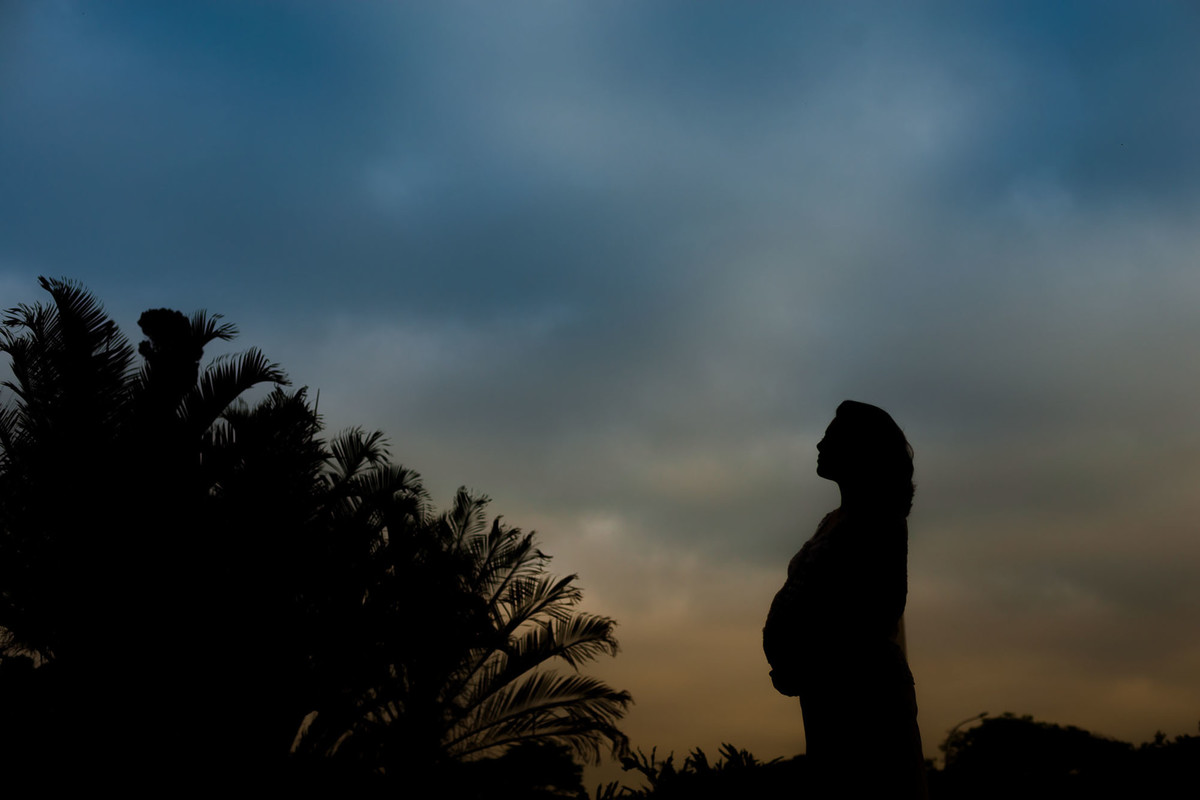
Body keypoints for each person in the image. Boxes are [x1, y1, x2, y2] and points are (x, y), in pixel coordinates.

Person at [763, 400, 928, 798]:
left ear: (860, 449)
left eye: (831, 437)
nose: (820, 444)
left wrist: (810, 660)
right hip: (829, 690)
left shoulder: (877, 520)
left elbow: (877, 610)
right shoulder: (836, 519)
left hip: (861, 696)